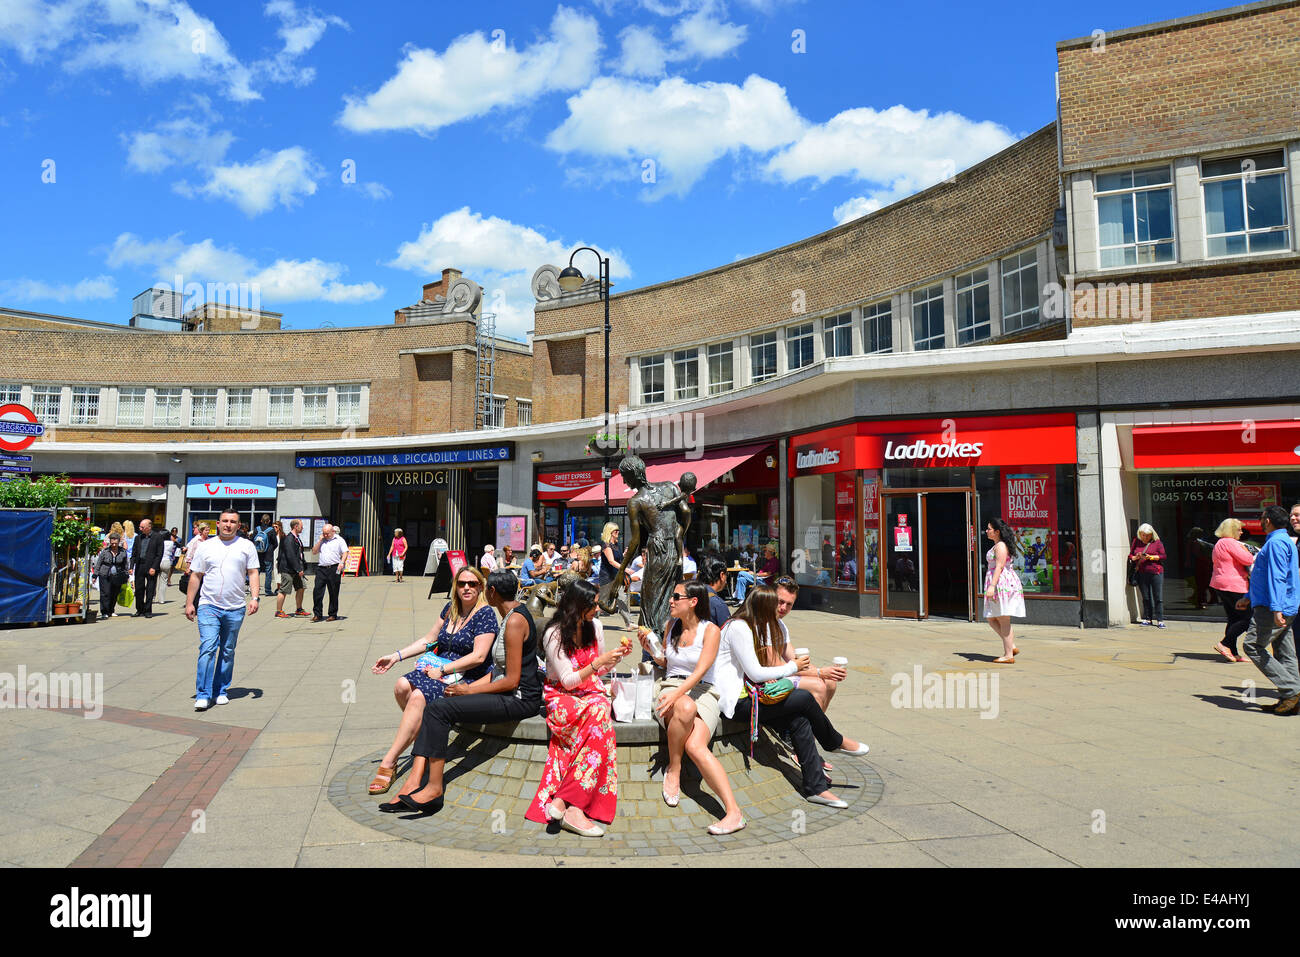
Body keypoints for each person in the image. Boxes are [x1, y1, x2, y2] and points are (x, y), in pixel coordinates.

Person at [387, 570, 544, 814]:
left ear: (490, 592)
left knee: (438, 710)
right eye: (463, 583)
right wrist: (467, 688)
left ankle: (434, 788)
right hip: (507, 692)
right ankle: (415, 782)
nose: (469, 589)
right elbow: (498, 671)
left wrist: (468, 691)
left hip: (518, 700)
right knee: (435, 705)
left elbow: (511, 681)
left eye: (477, 585)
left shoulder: (514, 621)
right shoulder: (509, 616)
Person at [716, 584, 867, 809]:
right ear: (760, 606)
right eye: (774, 605)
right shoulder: (739, 628)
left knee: (800, 720)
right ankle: (833, 741)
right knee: (804, 699)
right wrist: (793, 667)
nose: (779, 611)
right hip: (737, 704)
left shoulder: (751, 626)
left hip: (752, 696)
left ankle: (816, 789)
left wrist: (797, 668)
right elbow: (757, 672)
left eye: (787, 605)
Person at [368, 566, 498, 795]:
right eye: (461, 584)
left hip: (465, 674)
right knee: (401, 686)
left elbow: (478, 656)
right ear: (455, 587)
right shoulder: (451, 609)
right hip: (438, 667)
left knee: (418, 697)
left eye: (472, 584)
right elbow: (429, 639)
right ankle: (424, 734)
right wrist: (395, 657)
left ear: (481, 587)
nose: (466, 588)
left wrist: (444, 670)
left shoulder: (485, 614)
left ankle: (390, 760)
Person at [527, 579, 632, 837]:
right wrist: (599, 665)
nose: (598, 609)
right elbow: (568, 680)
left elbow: (603, 668)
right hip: (560, 694)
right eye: (593, 604)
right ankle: (573, 809)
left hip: (590, 691)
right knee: (600, 719)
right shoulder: (554, 633)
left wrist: (617, 657)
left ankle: (565, 801)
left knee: (599, 711)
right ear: (578, 605)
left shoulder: (593, 626)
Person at [639, 579, 745, 835]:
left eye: (677, 597)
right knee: (684, 708)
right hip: (670, 686)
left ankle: (734, 813)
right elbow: (666, 661)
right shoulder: (671, 625)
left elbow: (700, 671)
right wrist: (652, 652)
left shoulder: (711, 631)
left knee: (696, 745)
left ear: (693, 602)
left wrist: (679, 692)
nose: (671, 601)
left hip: (703, 691)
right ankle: (674, 769)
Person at [185, 509, 260, 710]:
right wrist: (189, 602)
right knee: (208, 647)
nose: (228, 524)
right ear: (217, 524)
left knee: (227, 650)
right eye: (224, 521)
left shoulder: (246, 546)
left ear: (238, 525)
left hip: (235, 607)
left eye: (232, 521)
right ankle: (203, 693)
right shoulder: (206, 546)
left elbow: (253, 572)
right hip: (208, 605)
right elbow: (195, 576)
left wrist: (254, 598)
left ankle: (221, 690)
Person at [1240, 505, 1300, 714]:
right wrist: (1248, 597)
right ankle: (1292, 700)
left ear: (1267, 521)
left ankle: (1291, 690)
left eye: (1262, 518)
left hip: (1272, 607)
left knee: (1253, 646)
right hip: (1281, 605)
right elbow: (1266, 576)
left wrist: (1276, 609)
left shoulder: (1275, 543)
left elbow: (1277, 577)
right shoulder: (1283, 540)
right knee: (1285, 652)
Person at [773, 576, 846, 711]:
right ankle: (812, 731)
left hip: (780, 672)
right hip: (764, 679)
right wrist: (819, 672)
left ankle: (816, 729)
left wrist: (829, 672)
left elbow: (794, 659)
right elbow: (776, 666)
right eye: (780, 602)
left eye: (789, 604)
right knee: (818, 686)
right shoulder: (764, 622)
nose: (784, 608)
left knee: (830, 683)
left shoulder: (780, 626)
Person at [1210, 518, 1254, 662]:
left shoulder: (1219, 543)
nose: (1241, 532)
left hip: (1220, 583)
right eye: (1239, 529)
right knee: (1247, 618)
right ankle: (1224, 643)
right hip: (1234, 584)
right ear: (1232, 530)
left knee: (1234, 618)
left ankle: (1233, 652)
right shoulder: (1230, 542)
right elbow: (1248, 559)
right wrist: (1245, 549)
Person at [983, 518, 1026, 663]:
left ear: (997, 532)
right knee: (992, 617)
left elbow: (1000, 566)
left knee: (1003, 618)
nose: (986, 531)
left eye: (989, 529)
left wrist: (992, 586)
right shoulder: (998, 545)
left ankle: (1008, 655)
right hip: (1000, 582)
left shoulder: (1000, 546)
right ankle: (1011, 646)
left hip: (1002, 584)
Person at [1129, 523, 1167, 628]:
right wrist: (1135, 557)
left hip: (1156, 572)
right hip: (1142, 572)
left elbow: (1163, 556)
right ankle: (1147, 618)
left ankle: (1160, 619)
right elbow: (1131, 555)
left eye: (1147, 535)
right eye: (1143, 535)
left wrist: (1150, 557)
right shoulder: (1136, 541)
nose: (1145, 537)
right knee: (1146, 597)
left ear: (1151, 534)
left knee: (1158, 597)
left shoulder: (1157, 542)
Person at [598, 522, 633, 628]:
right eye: (615, 531)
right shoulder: (606, 545)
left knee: (622, 599)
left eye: (618, 531)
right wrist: (626, 569)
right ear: (610, 532)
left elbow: (618, 560)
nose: (618, 533)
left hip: (616, 577)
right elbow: (611, 561)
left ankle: (629, 623)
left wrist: (624, 555)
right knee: (602, 601)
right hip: (607, 577)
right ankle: (591, 621)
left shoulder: (616, 545)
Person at [311, 523, 347, 621]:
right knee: (317, 591)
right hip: (321, 569)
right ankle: (317, 614)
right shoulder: (322, 540)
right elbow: (314, 551)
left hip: (334, 568)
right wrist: (320, 540)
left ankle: (332, 614)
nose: (325, 535)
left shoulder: (339, 540)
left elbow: (345, 552)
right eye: (324, 533)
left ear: (333, 532)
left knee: (333, 592)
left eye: (327, 533)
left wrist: (342, 563)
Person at [130, 518, 165, 618]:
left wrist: (154, 567)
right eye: (140, 527)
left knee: (150, 589)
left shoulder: (157, 537)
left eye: (142, 527)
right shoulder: (138, 538)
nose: (140, 529)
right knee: (139, 589)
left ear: (149, 527)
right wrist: (131, 566)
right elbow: (134, 553)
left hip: (151, 566)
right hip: (140, 565)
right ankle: (139, 609)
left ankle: (148, 610)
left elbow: (159, 554)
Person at [274, 519, 309, 618]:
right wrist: (298, 569)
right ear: (295, 527)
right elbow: (291, 556)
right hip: (288, 569)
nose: (303, 528)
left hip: (295, 568)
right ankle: (279, 611)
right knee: (284, 590)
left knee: (301, 587)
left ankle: (299, 609)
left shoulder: (296, 538)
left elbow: (299, 554)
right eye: (301, 526)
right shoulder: (289, 539)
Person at [93, 532, 129, 619]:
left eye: (115, 543)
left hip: (117, 575)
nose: (113, 545)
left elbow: (125, 564)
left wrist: (126, 575)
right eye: (112, 543)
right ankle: (104, 611)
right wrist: (95, 575)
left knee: (114, 593)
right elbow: (98, 564)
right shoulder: (105, 552)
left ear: (119, 542)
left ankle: (111, 610)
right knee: (105, 593)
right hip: (105, 574)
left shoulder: (123, 552)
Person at [699, 557, 732, 628]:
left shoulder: (690, 595)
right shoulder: (718, 604)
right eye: (727, 574)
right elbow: (726, 633)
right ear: (722, 575)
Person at [156, 529, 177, 604]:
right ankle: (161, 599)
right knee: (163, 581)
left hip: (157, 561)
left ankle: (151, 597)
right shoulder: (171, 543)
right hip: (166, 561)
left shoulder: (158, 542)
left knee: (153, 580)